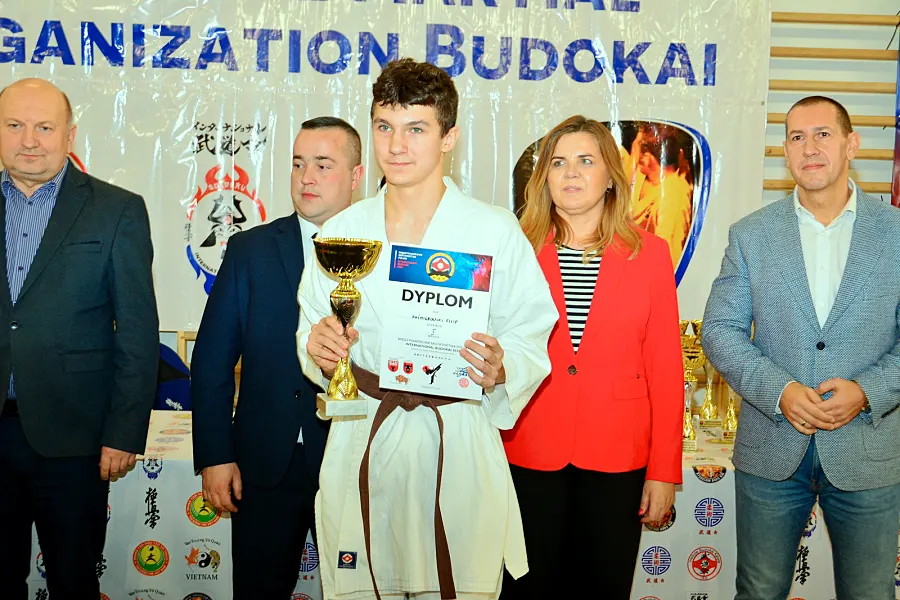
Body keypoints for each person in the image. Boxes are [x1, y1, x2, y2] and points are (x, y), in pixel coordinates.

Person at [297, 58, 557, 600]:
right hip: (365, 431)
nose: (396, 145)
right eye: (384, 126)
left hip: (456, 438)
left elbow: (530, 330)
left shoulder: (493, 229)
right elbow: (312, 326)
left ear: (448, 138)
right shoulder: (342, 231)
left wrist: (503, 366)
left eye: (416, 129)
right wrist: (317, 349)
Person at [702, 95, 900, 600]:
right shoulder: (751, 235)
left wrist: (867, 390)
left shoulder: (895, 234)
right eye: (796, 137)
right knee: (759, 591)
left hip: (868, 450)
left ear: (852, 144)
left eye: (823, 134)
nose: (809, 147)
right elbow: (720, 330)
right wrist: (781, 391)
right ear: (785, 152)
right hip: (771, 449)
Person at [500, 116, 683, 599]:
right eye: (558, 163)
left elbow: (665, 368)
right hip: (526, 450)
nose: (571, 173)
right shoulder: (514, 249)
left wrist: (664, 471)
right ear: (544, 178)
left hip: (617, 458)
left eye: (586, 160)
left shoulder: (651, 254)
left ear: (610, 177)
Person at [192, 116, 363, 599]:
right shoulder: (251, 250)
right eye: (298, 163)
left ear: (355, 175)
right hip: (265, 465)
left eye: (323, 165)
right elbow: (211, 360)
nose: (306, 177)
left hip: (355, 463)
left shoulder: (386, 250)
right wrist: (216, 455)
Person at [0, 78, 158, 598]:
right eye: (14, 125)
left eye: (44, 127)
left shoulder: (116, 210)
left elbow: (137, 331)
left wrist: (125, 431)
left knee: (73, 581)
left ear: (69, 134)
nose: (29, 140)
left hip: (75, 441)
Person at [629, 123, 693, 267]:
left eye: (636, 146)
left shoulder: (672, 200)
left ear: (646, 157)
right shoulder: (643, 180)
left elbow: (668, 260)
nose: (633, 151)